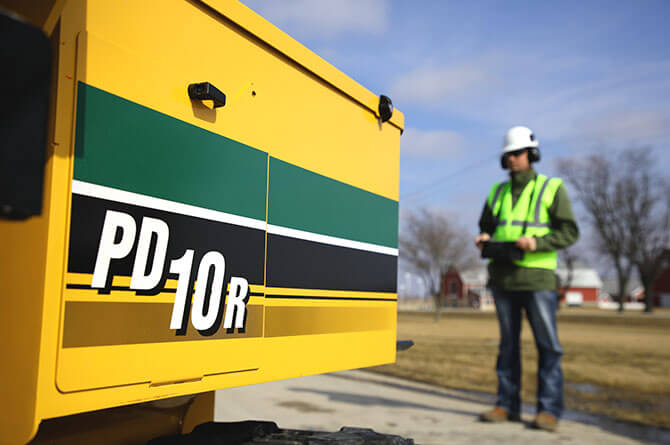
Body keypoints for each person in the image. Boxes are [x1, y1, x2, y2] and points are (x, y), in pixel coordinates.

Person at [475, 126, 578, 432]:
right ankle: (506, 405)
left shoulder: (551, 188)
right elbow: (486, 227)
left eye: (518, 153)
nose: (513, 159)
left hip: (537, 281)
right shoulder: (497, 192)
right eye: (508, 154)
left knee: (548, 347)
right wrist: (484, 238)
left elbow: (569, 231)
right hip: (503, 279)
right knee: (507, 346)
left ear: (531, 154)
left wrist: (537, 243)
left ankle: (548, 410)